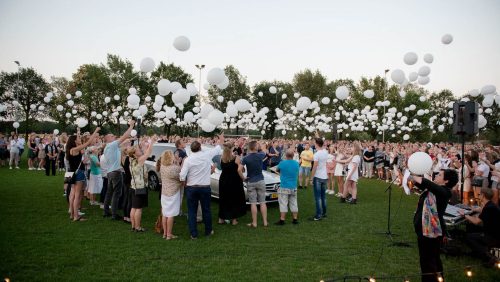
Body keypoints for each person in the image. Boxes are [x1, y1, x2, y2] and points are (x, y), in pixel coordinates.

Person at [409, 169, 458, 282]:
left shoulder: (444, 192)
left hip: (431, 231)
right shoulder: (434, 189)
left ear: (446, 181)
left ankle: (431, 279)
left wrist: (414, 175)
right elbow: (419, 183)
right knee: (432, 257)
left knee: (428, 260)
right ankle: (438, 278)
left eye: (440, 175)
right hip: (425, 230)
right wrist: (410, 175)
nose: (436, 175)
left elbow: (426, 182)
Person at [180, 134, 224, 239]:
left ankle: (193, 234)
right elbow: (218, 148)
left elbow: (182, 175)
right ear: (200, 148)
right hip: (204, 187)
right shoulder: (206, 155)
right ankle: (208, 231)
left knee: (192, 211)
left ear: (191, 149)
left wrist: (184, 182)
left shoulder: (188, 159)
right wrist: (221, 138)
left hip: (192, 188)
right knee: (206, 210)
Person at [102, 119, 135, 220]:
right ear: (107, 139)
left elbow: (123, 143)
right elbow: (124, 137)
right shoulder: (112, 145)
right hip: (116, 172)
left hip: (110, 172)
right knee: (116, 194)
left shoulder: (108, 147)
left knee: (109, 193)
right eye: (111, 136)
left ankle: (106, 211)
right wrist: (131, 126)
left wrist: (130, 140)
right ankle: (114, 214)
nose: (114, 136)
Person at [67, 127, 100, 221]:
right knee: (77, 195)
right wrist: (96, 131)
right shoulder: (76, 149)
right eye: (78, 139)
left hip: (70, 172)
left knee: (72, 194)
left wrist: (78, 132)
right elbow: (88, 142)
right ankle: (76, 216)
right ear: (74, 141)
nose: (79, 139)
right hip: (78, 173)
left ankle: (72, 214)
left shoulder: (70, 149)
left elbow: (81, 142)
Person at [460, 187, 500, 266]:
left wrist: (464, 215)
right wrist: (474, 209)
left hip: (493, 236)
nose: (479, 195)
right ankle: (475, 251)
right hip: (494, 232)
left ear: (483, 195)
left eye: (480, 194)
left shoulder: (489, 208)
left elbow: (476, 221)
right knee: (470, 227)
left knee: (468, 237)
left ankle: (488, 256)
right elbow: (482, 210)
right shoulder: (491, 205)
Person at [129, 137, 155, 232]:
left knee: (133, 207)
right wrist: (151, 142)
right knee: (138, 209)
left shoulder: (131, 160)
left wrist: (143, 144)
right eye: (138, 150)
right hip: (139, 187)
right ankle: (138, 227)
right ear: (135, 153)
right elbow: (148, 153)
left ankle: (133, 226)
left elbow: (144, 151)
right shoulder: (139, 160)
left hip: (133, 186)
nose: (140, 151)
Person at [241, 140, 268, 228]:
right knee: (262, 202)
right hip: (260, 180)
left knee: (253, 203)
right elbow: (264, 149)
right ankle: (265, 222)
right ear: (256, 147)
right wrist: (260, 145)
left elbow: (239, 169)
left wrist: (243, 178)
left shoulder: (245, 158)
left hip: (251, 181)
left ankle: (255, 223)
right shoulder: (261, 155)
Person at [218, 143, 246, 225]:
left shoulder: (221, 158)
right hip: (234, 180)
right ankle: (234, 220)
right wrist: (238, 164)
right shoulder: (236, 157)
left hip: (224, 180)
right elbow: (242, 169)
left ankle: (221, 219)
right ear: (232, 148)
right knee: (234, 199)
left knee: (224, 199)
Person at [160, 150, 182, 240]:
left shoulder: (162, 166)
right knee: (170, 214)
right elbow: (181, 176)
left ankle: (165, 233)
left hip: (164, 192)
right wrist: (177, 163)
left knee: (165, 213)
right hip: (173, 192)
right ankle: (169, 234)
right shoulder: (174, 168)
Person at [275, 149, 300, 225]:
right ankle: (295, 219)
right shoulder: (296, 163)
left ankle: (282, 220)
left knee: (283, 203)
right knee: (294, 202)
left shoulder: (282, 163)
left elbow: (277, 170)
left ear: (286, 156)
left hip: (284, 186)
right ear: (293, 156)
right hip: (293, 186)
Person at [309, 138, 329, 220]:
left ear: (317, 144)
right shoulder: (325, 151)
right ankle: (323, 213)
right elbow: (323, 144)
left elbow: (314, 167)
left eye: (314, 142)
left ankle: (318, 215)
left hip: (318, 177)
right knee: (323, 196)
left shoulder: (317, 154)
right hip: (324, 176)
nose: (314, 143)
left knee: (318, 197)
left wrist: (311, 178)